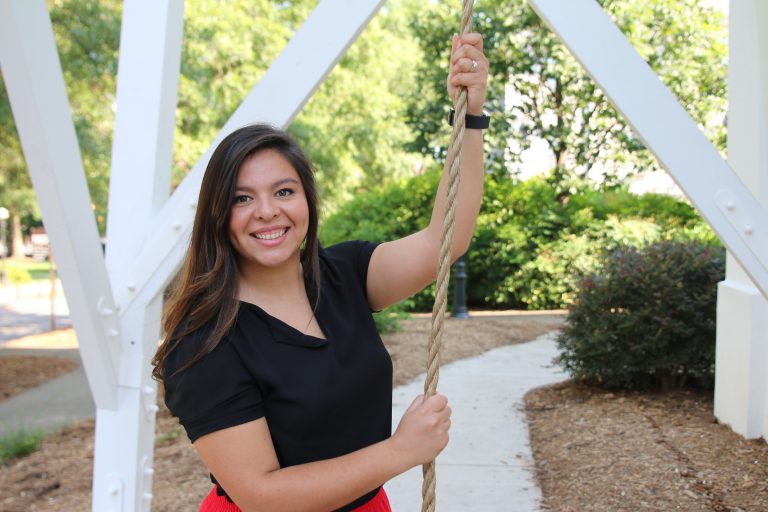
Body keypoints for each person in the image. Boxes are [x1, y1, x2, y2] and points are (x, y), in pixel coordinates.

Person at [152, 32, 489, 512]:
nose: (267, 211)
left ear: (307, 200)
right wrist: (399, 452)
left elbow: (445, 241)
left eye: (284, 191)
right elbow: (260, 494)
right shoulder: (206, 340)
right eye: (242, 198)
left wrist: (470, 118)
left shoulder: (345, 274)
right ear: (217, 214)